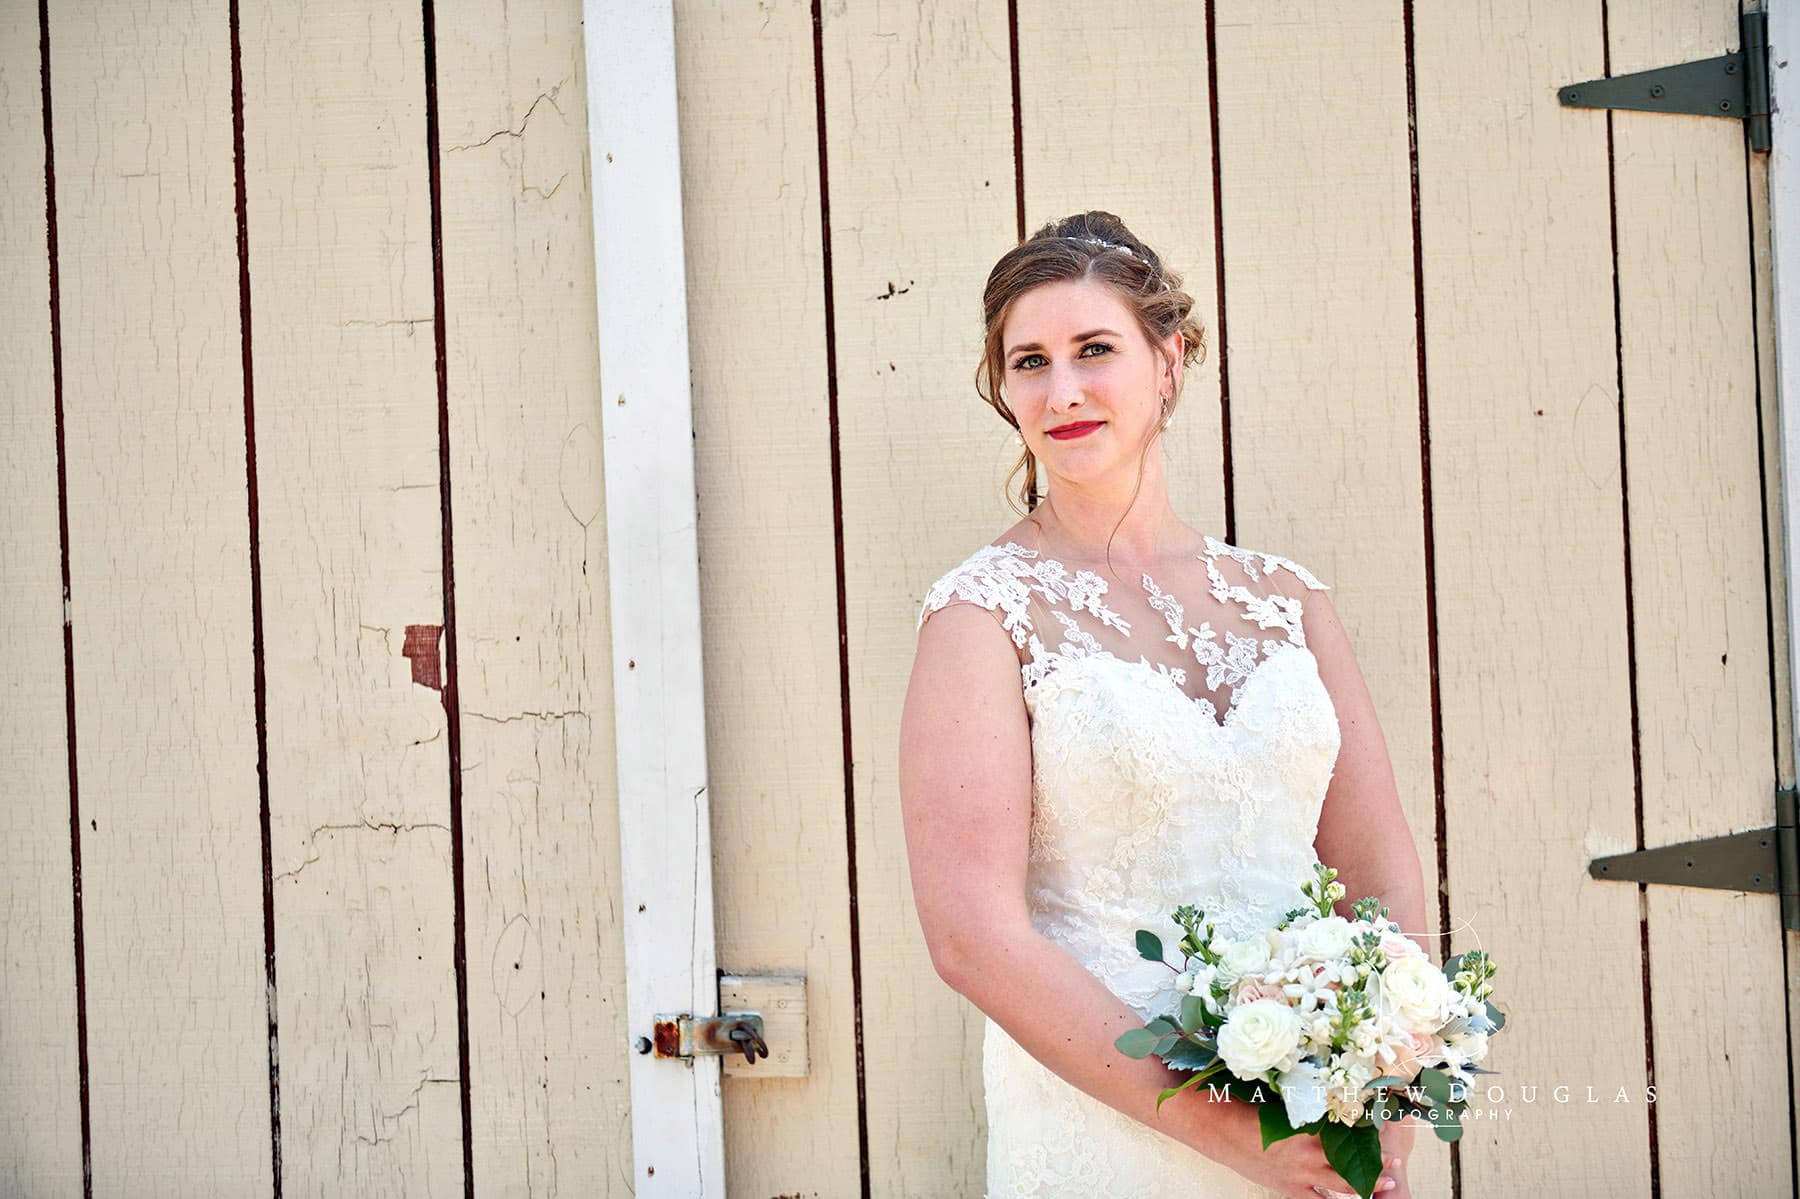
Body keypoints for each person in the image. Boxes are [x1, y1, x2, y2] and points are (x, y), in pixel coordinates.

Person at [898, 211, 1430, 1198]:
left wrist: (1391, 1090)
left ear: (1169, 360)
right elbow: (971, 933)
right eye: (1029, 362)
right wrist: (1222, 1132)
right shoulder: (982, 614)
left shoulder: (1287, 599)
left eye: (1094, 349)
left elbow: (1378, 872)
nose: (1062, 390)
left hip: (1318, 1120)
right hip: (1106, 1121)